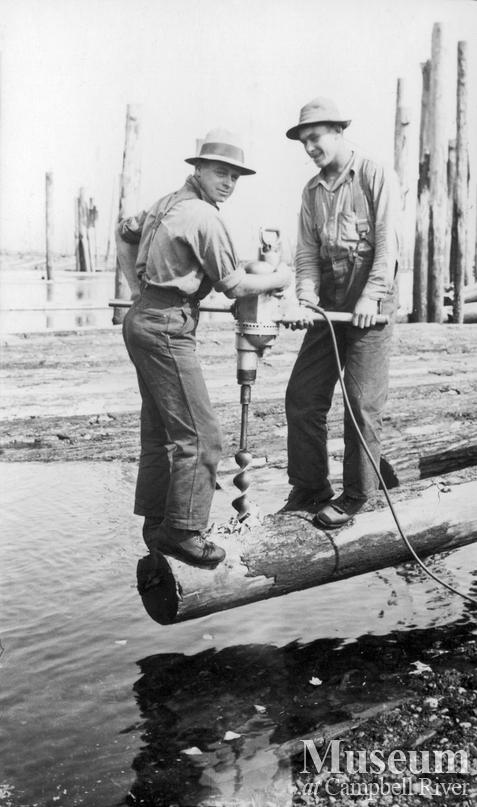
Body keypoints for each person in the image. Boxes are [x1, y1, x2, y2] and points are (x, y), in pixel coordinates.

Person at [120, 128, 291, 569]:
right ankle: (182, 532)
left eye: (235, 176)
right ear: (198, 169)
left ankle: (156, 523)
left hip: (141, 319)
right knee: (203, 437)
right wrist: (280, 279)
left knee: (160, 433)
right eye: (220, 172)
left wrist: (136, 286)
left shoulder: (165, 203)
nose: (228, 183)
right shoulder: (204, 217)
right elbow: (234, 286)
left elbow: (124, 232)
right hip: (167, 328)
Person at [281, 97, 400, 527]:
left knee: (360, 400)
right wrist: (305, 300)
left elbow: (389, 244)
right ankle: (311, 488)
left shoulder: (373, 174)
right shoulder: (311, 191)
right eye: (304, 141)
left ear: (338, 132)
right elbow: (308, 254)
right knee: (303, 396)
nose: (310, 147)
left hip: (373, 304)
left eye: (316, 138)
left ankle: (358, 495)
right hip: (329, 307)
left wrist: (372, 296)